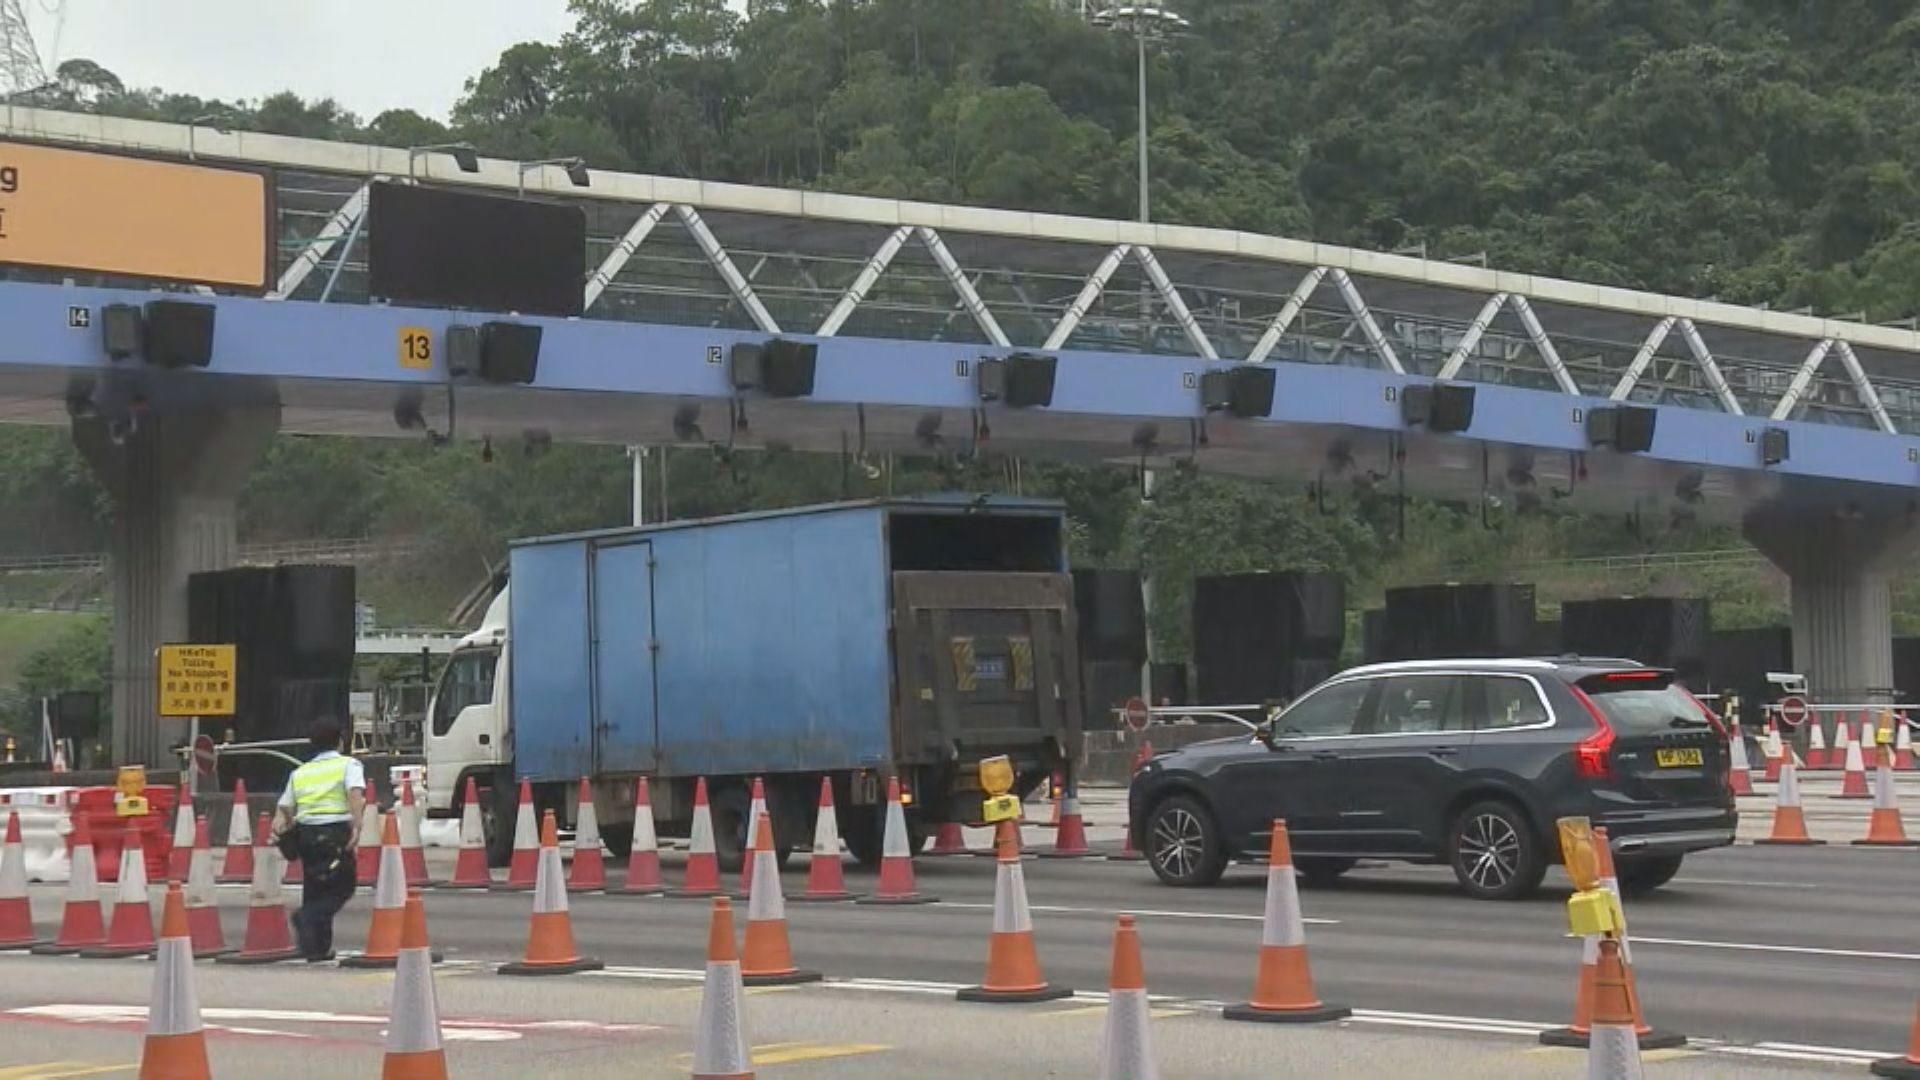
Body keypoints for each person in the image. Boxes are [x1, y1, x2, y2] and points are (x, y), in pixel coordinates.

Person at [272, 718, 366, 962]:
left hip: (306, 834)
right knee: (343, 884)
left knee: (315, 887)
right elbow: (354, 794)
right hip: (334, 831)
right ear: (340, 741)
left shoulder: (300, 772)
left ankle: (315, 949)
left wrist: (288, 831)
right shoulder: (349, 765)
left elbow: (284, 808)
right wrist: (357, 825)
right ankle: (305, 918)